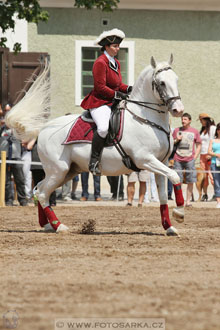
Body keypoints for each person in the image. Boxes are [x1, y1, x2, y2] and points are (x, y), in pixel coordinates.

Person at [81, 28, 131, 175]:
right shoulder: (100, 62)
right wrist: (117, 95)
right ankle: (94, 160)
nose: (118, 48)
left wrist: (129, 89)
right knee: (103, 128)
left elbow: (118, 84)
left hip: (112, 101)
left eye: (118, 46)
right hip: (99, 102)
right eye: (115, 46)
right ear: (107, 47)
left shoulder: (115, 62)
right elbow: (100, 87)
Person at [173, 113, 201, 207]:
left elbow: (199, 144)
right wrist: (177, 139)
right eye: (182, 119)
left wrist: (195, 156)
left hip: (190, 159)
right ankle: (179, 201)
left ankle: (188, 202)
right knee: (177, 181)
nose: (183, 121)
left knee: (190, 180)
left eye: (185, 119)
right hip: (178, 159)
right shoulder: (176, 130)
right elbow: (171, 143)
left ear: (189, 120)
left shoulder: (194, 131)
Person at [0, 112, 27, 206]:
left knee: (20, 179)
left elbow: (25, 134)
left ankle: (22, 200)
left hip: (16, 158)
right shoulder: (1, 130)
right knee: (6, 181)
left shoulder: (18, 130)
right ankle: (9, 200)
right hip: (4, 159)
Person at [198, 113, 216, 201]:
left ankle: (216, 193)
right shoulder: (203, 130)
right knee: (204, 175)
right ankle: (205, 194)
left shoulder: (213, 129)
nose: (201, 122)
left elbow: (214, 141)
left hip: (209, 155)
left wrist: (211, 152)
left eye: (202, 120)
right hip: (202, 154)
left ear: (206, 120)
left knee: (211, 174)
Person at [208, 122, 220, 208]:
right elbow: (209, 151)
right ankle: (218, 201)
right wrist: (216, 155)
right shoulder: (213, 140)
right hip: (215, 163)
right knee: (216, 182)